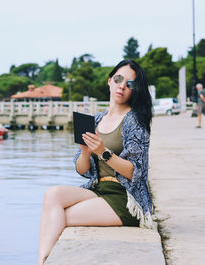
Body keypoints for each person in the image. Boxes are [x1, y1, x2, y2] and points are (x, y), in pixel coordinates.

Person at [37, 60, 154, 265]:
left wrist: (103, 152)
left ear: (135, 91)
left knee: (59, 217)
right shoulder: (96, 119)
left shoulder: (134, 120)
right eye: (118, 79)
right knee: (52, 195)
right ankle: (41, 260)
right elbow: (82, 170)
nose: (122, 86)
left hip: (125, 198)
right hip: (98, 189)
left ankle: (42, 261)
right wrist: (84, 152)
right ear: (110, 81)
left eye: (130, 84)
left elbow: (136, 172)